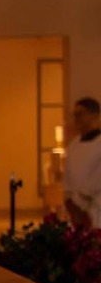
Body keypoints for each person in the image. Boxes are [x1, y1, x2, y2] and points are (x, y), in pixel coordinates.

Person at [64, 96, 101, 229]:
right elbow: (67, 175)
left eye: (80, 114)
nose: (76, 118)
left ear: (94, 115)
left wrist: (81, 201)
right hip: (75, 208)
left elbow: (98, 177)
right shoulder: (73, 144)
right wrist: (70, 201)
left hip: (96, 205)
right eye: (75, 114)